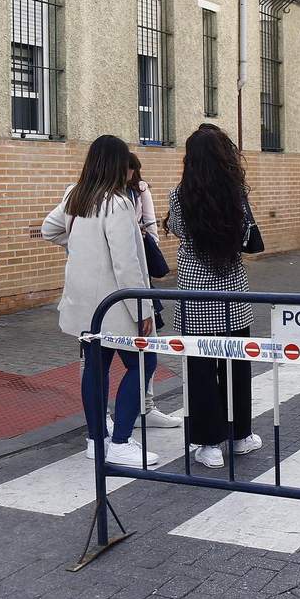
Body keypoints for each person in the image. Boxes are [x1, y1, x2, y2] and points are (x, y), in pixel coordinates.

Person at [42, 136, 158, 469]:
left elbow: (50, 230)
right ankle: (120, 441)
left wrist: (82, 245)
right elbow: (127, 264)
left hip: (83, 302)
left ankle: (96, 440)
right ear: (116, 164)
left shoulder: (75, 194)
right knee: (143, 365)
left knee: (96, 369)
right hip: (114, 304)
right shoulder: (118, 203)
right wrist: (142, 309)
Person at [167, 124, 259, 469]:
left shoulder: (179, 194)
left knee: (201, 370)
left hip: (195, 290)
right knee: (237, 364)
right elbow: (245, 235)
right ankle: (240, 436)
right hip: (233, 290)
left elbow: (177, 229)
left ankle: (209, 445)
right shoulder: (236, 191)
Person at [127, 153, 178, 430]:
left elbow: (151, 225)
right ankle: (108, 419)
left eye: (133, 169)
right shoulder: (91, 193)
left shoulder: (140, 190)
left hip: (140, 273)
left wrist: (148, 249)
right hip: (119, 281)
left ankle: (146, 407)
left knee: (148, 342)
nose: (130, 174)